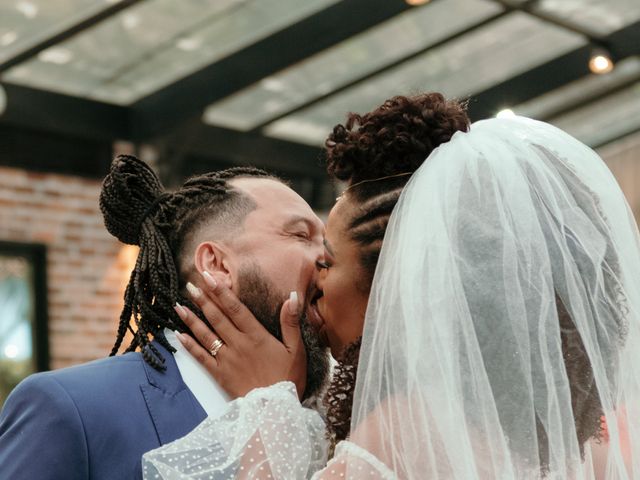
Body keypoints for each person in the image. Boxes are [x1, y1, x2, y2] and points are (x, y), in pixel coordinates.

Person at [143, 93, 639, 479]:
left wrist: (266, 406)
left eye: (328, 262)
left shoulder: (409, 430)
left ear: (395, 284)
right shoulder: (549, 443)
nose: (313, 276)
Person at [0, 156, 330, 479]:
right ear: (216, 264)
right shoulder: (70, 409)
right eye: (301, 235)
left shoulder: (321, 420)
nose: (328, 257)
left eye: (327, 242)